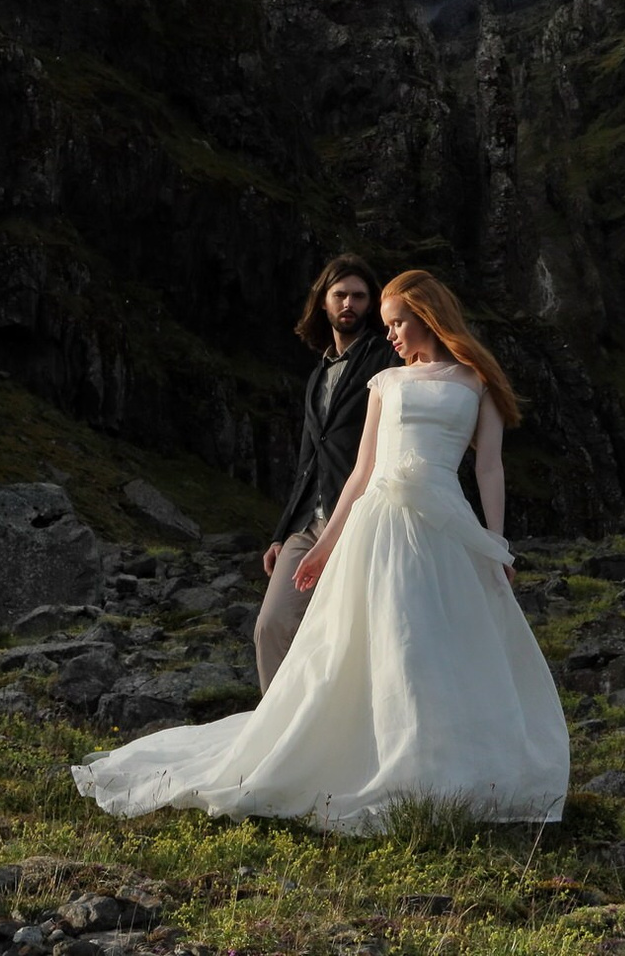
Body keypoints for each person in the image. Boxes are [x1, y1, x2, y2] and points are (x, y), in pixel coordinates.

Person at [72, 269, 568, 831]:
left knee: (439, 642)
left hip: (445, 524)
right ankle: (383, 760)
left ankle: (439, 771)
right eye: (388, 326)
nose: (394, 336)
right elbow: (359, 475)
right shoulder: (386, 383)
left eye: (399, 322)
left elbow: (489, 467)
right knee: (386, 636)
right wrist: (323, 546)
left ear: (427, 314)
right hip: (380, 523)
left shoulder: (477, 379)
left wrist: (495, 543)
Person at [255, 255, 398, 689]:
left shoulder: (384, 358)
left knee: (352, 637)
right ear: (324, 303)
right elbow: (306, 461)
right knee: (271, 626)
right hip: (308, 523)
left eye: (358, 295)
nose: (349, 303)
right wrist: (282, 532)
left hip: (359, 517)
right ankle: (276, 737)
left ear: (371, 304)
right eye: (340, 295)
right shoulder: (317, 375)